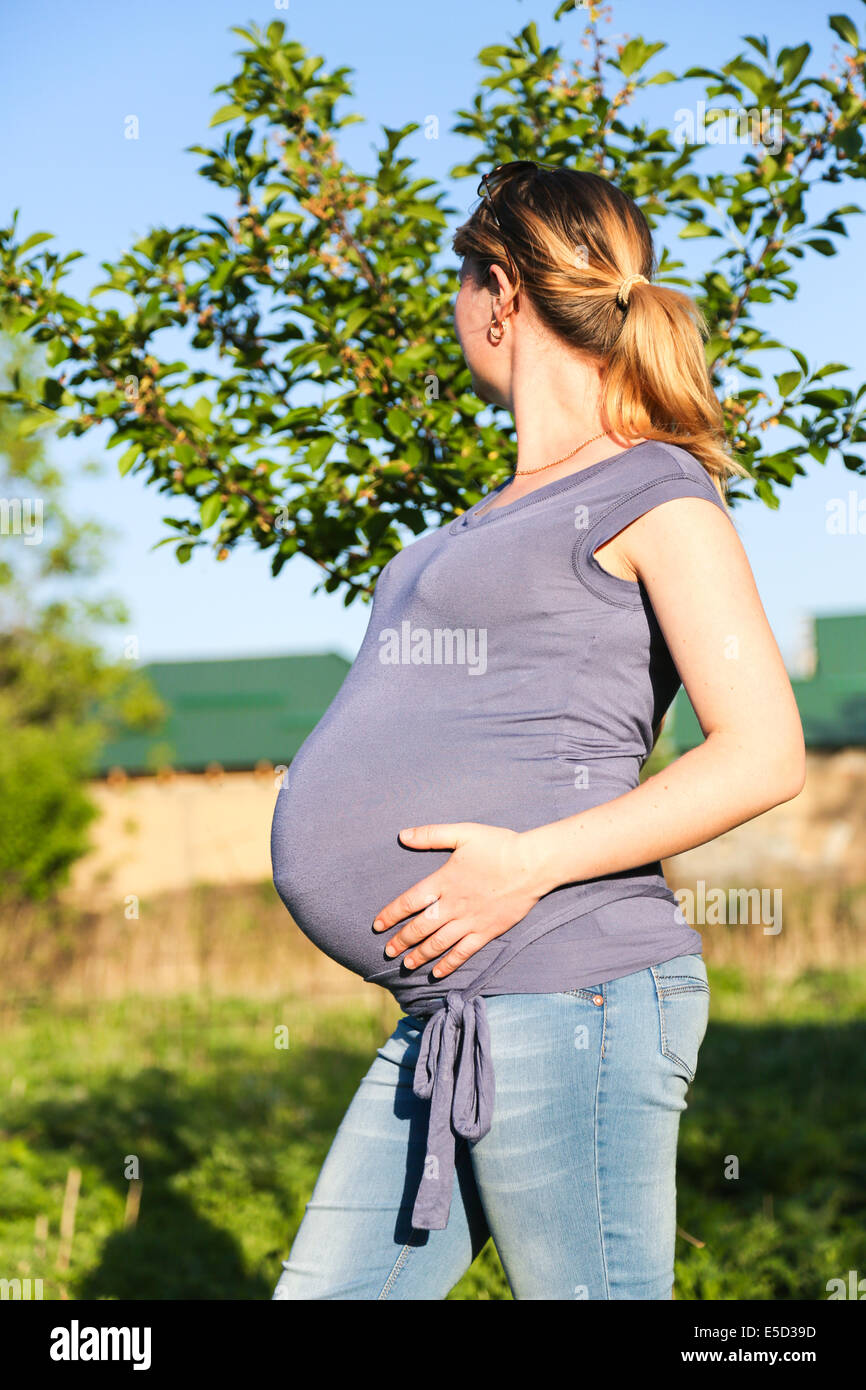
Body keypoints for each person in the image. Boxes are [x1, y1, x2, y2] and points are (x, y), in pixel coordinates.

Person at [269, 162, 806, 1299]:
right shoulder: (494, 507)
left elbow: (762, 749)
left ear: (501, 289)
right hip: (449, 1011)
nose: (455, 310)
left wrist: (524, 866)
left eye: (462, 283)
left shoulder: (651, 487)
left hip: (572, 990)